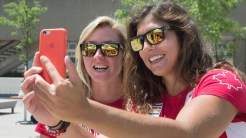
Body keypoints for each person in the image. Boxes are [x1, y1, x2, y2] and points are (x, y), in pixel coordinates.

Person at [22, 1, 246, 138]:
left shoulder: (220, 80)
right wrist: (56, 120)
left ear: (183, 36)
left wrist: (82, 109)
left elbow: (188, 134)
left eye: (156, 36)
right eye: (139, 42)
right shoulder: (146, 104)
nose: (148, 47)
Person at [21, 16, 127, 137]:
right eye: (89, 48)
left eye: (109, 48)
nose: (98, 56)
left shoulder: (144, 105)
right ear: (82, 57)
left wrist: (59, 124)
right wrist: (52, 120)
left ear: (125, 55)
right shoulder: (63, 99)